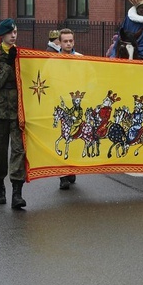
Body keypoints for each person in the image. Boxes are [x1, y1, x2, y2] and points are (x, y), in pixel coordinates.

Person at [0, 19, 26, 209]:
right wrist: (9, 64)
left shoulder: (23, 54)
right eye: (10, 32)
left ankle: (17, 193)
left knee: (18, 150)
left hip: (18, 108)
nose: (13, 35)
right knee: (0, 151)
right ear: (2, 35)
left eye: (15, 32)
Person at [58, 28, 80, 189]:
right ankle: (62, 174)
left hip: (77, 107)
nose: (68, 43)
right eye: (65, 41)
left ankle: (72, 169)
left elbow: (90, 77)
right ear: (59, 42)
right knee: (62, 136)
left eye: (70, 41)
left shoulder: (81, 59)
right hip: (61, 105)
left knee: (75, 138)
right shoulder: (52, 59)